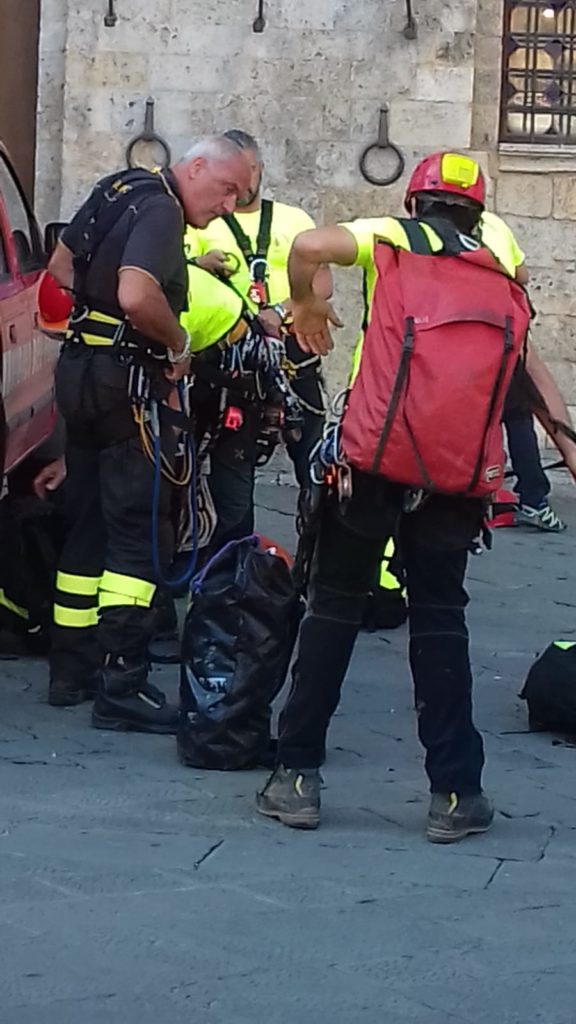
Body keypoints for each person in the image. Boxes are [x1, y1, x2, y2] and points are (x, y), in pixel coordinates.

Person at [257, 152, 576, 842]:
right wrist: (564, 436)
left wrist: (308, 303)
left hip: (375, 459)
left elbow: (308, 245)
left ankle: (297, 778)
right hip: (456, 471)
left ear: (414, 202)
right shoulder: (500, 262)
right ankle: (456, 793)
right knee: (440, 619)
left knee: (334, 610)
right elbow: (523, 356)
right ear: (479, 212)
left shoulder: (391, 237)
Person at [46, 136, 251, 733]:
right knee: (138, 532)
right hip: (128, 384)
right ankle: (123, 682)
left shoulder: (118, 188)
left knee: (86, 522)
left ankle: (71, 671)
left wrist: (100, 315)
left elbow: (61, 267)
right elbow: (137, 294)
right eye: (226, 190)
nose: (228, 207)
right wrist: (178, 343)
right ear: (195, 167)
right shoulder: (161, 208)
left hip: (79, 371)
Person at [184, 130, 332, 551]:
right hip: (231, 362)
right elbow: (176, 274)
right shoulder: (204, 220)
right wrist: (200, 263)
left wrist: (280, 312)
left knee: (313, 463)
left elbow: (321, 284)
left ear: (261, 169)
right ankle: (231, 563)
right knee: (232, 471)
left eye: (251, 170)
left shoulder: (293, 221)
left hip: (292, 355)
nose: (245, 181)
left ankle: (321, 556)